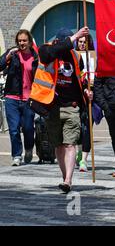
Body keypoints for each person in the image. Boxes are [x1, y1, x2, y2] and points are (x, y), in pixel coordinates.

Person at [31, 27, 90, 193]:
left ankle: (68, 180)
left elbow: (81, 78)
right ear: (58, 41)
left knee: (70, 144)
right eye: (67, 42)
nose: (69, 47)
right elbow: (51, 53)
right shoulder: (46, 51)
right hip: (52, 107)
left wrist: (86, 91)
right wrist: (75, 37)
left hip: (72, 107)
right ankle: (65, 176)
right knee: (58, 145)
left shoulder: (76, 57)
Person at [0, 29, 39, 166]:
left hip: (29, 98)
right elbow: (0, 66)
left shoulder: (36, 56)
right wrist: (7, 57)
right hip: (12, 97)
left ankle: (28, 148)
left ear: (29, 42)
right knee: (14, 129)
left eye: (24, 40)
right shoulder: (13, 53)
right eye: (20, 40)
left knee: (28, 128)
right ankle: (16, 155)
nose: (22, 43)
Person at [74, 34, 95, 172]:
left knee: (88, 129)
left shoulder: (94, 56)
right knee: (77, 129)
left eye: (84, 42)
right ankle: (78, 152)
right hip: (77, 97)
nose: (82, 44)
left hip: (92, 97)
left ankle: (84, 159)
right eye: (80, 42)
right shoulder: (74, 56)